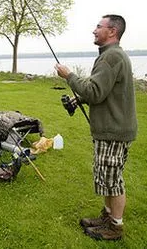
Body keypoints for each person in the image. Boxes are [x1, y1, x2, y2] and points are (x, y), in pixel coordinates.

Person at [55, 14, 137, 240]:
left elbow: (93, 91)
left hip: (114, 131)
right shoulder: (111, 56)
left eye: (98, 26)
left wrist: (69, 75)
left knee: (113, 180)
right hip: (110, 129)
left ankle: (115, 228)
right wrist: (78, 100)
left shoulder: (111, 58)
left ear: (112, 31)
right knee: (105, 177)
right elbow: (100, 92)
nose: (94, 30)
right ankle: (108, 216)